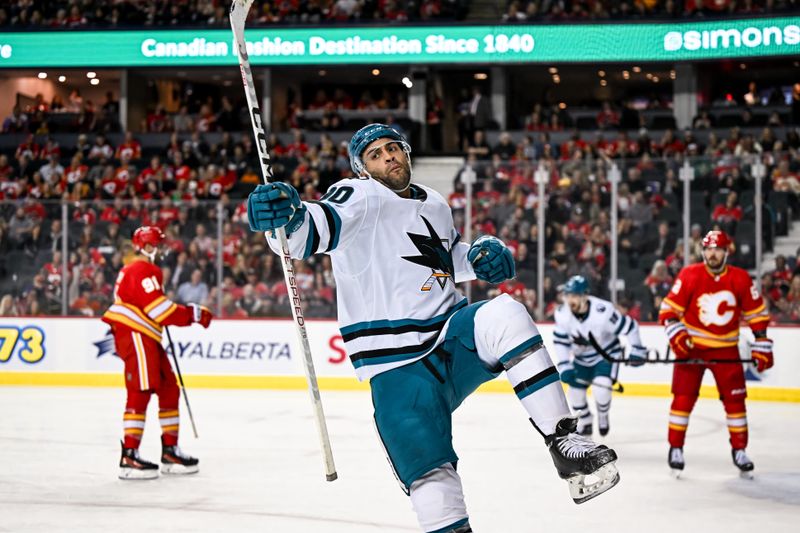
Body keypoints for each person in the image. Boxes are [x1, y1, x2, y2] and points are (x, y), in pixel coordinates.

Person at [246, 124, 619, 532]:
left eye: (394, 148)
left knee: (505, 313)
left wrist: (478, 258)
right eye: (375, 154)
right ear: (362, 168)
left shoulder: (436, 202)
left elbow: (444, 258)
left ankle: (563, 442)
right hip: (396, 369)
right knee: (433, 483)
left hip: (449, 338)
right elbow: (310, 230)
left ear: (406, 152)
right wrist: (282, 218)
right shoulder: (359, 195)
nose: (388, 156)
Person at [658, 230, 773, 478]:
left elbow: (757, 314)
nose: (713, 253)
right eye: (709, 249)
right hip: (692, 349)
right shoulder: (690, 274)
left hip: (726, 348)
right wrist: (677, 334)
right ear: (703, 251)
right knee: (683, 399)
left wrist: (761, 341)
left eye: (718, 249)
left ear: (726, 251)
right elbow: (668, 310)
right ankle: (675, 448)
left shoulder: (741, 278)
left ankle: (740, 450)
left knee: (735, 403)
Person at [102, 226, 213, 480]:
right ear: (147, 246)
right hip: (136, 334)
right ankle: (129, 456)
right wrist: (194, 314)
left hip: (146, 335)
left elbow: (153, 307)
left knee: (168, 388)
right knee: (140, 390)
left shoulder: (135, 269)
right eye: (157, 244)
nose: (160, 250)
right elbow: (160, 310)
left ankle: (170, 451)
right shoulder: (143, 269)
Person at [553, 275, 646, 437]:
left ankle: (603, 415)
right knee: (575, 393)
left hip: (606, 355)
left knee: (601, 389)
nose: (570, 300)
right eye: (568, 296)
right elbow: (561, 341)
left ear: (585, 296)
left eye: (574, 296)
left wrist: (637, 349)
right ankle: (586, 421)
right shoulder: (562, 314)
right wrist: (564, 365)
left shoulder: (603, 312)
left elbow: (630, 327)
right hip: (581, 359)